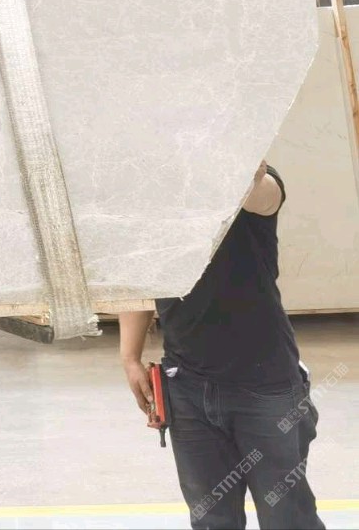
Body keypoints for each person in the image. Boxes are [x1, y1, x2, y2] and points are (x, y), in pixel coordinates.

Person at [119, 163, 323, 530]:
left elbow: (265, 194)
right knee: (212, 521)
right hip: (187, 385)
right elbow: (139, 276)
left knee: (287, 519)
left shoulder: (253, 182)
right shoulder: (150, 197)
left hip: (266, 386)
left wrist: (240, 162)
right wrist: (130, 357)